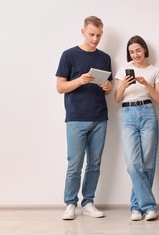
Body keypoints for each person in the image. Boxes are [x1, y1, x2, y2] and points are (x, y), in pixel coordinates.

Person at [55, 16, 113, 220]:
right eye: (91, 35)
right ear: (83, 32)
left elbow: (108, 88)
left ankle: (88, 202)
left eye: (98, 35)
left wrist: (108, 87)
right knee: (75, 164)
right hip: (76, 118)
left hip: (100, 117)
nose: (95, 39)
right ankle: (70, 203)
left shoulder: (104, 58)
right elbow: (60, 87)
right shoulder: (68, 55)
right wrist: (79, 80)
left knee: (94, 164)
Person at [114, 35, 159, 221]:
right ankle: (149, 206)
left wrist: (146, 85)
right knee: (133, 164)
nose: (135, 54)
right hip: (127, 115)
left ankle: (136, 208)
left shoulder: (156, 71)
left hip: (148, 113)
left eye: (137, 50)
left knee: (148, 164)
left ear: (144, 50)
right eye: (131, 52)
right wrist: (123, 86)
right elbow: (117, 98)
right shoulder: (123, 70)